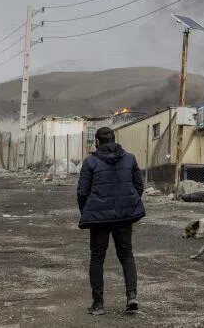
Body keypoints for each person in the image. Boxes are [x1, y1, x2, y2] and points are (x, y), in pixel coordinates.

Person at [77, 126, 146, 316]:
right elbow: (139, 186)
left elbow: (82, 192)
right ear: (114, 139)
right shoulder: (130, 158)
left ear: (98, 142)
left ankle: (98, 304)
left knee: (98, 258)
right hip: (124, 217)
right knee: (126, 256)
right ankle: (131, 296)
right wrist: (129, 205)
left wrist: (89, 211)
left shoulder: (90, 161)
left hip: (99, 219)